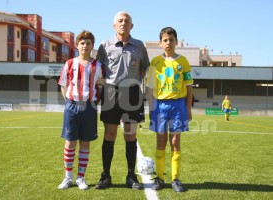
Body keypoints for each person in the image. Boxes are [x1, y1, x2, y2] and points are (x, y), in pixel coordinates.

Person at [95, 11, 150, 190]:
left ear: (131, 26)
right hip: (111, 92)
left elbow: (144, 68)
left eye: (126, 21)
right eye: (120, 20)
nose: (123, 23)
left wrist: (133, 82)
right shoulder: (104, 45)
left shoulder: (139, 46)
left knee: (130, 135)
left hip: (132, 94)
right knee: (109, 134)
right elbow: (99, 70)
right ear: (114, 25)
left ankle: (131, 176)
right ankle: (105, 175)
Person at [146, 27, 193, 192]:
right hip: (159, 106)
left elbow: (189, 87)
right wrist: (151, 108)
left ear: (176, 42)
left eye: (171, 40)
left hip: (178, 105)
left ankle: (175, 179)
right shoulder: (155, 62)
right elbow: (149, 87)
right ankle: (159, 178)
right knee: (160, 141)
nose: (168, 43)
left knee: (175, 142)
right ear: (160, 43)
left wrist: (188, 109)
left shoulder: (183, 61)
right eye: (165, 40)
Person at [57, 30, 104, 190]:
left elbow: (101, 86)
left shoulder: (98, 66)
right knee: (70, 142)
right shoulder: (70, 63)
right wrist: (70, 102)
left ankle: (81, 178)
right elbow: (63, 85)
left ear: (92, 46)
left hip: (89, 107)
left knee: (85, 143)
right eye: (82, 43)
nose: (85, 46)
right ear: (77, 45)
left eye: (88, 43)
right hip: (72, 105)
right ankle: (68, 177)